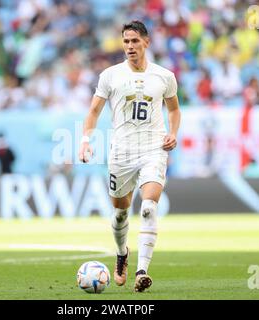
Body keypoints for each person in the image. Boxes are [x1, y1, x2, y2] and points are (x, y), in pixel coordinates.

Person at [79, 21, 181, 292]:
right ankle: (122, 253)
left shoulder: (164, 76)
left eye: (135, 41)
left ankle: (142, 271)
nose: (129, 46)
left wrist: (173, 133)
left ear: (146, 42)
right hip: (121, 152)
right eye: (126, 41)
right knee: (121, 214)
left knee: (148, 207)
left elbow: (174, 109)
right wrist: (85, 140)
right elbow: (93, 112)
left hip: (153, 149)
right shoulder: (110, 75)